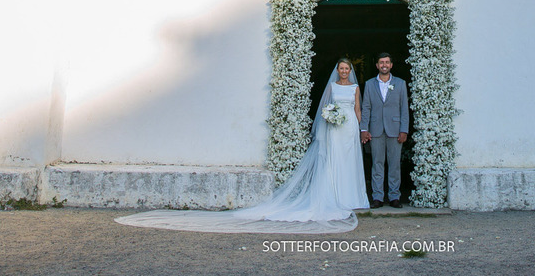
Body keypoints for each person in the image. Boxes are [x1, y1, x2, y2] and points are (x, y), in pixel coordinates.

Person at [115, 59, 367, 234]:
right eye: (341, 68)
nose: (344, 71)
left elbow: (357, 109)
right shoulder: (332, 86)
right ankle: (336, 196)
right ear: (337, 70)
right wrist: (329, 117)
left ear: (350, 71)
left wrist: (360, 129)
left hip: (349, 129)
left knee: (349, 162)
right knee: (334, 162)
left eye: (347, 68)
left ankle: (352, 196)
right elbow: (325, 107)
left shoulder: (356, 87)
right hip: (334, 129)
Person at [360, 52, 409, 208]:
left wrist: (404, 130)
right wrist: (364, 129)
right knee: (377, 164)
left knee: (394, 165)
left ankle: (394, 197)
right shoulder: (369, 84)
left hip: (395, 129)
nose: (384, 65)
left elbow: (404, 109)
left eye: (387, 62)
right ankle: (378, 197)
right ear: (377, 65)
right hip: (376, 130)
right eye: (381, 62)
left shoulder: (400, 83)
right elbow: (366, 108)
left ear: (391, 65)